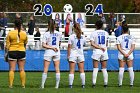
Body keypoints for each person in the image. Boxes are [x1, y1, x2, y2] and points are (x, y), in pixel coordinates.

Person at [5, 18, 28, 88]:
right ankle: (23, 85)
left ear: (14, 25)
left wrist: (6, 54)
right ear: (21, 25)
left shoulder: (10, 33)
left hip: (12, 51)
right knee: (22, 69)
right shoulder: (24, 33)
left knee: (12, 69)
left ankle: (11, 85)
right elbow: (25, 43)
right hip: (21, 51)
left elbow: (7, 46)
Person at [41, 19, 62, 89]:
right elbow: (59, 43)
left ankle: (42, 85)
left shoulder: (46, 34)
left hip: (49, 52)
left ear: (48, 25)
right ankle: (57, 86)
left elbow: (43, 45)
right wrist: (55, 47)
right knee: (57, 69)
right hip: (57, 51)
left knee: (45, 69)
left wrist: (51, 47)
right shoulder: (59, 33)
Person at [90, 20, 109, 88]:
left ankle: (94, 83)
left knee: (95, 68)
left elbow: (92, 43)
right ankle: (105, 83)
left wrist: (99, 47)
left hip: (97, 51)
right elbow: (106, 43)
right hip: (104, 51)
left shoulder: (94, 33)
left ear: (96, 25)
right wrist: (103, 47)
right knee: (104, 68)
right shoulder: (106, 33)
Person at [67, 23, 86, 88]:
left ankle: (70, 85)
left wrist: (68, 56)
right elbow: (84, 44)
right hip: (80, 54)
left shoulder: (71, 36)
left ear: (74, 28)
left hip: (73, 54)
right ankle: (83, 85)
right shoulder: (83, 36)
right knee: (82, 70)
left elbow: (69, 47)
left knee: (72, 70)